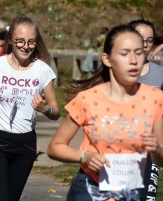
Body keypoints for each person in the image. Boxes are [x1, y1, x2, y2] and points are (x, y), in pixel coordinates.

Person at [47, 25, 163, 201]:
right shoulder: (87, 99)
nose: (133, 60)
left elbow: (160, 159)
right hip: (89, 190)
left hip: (131, 192)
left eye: (138, 53)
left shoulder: (155, 98)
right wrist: (84, 156)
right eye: (124, 54)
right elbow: (54, 148)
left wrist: (156, 150)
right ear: (107, 59)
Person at [0, 14, 60, 201]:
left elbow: (56, 112)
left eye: (31, 42)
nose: (25, 46)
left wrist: (46, 109)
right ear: (10, 40)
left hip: (25, 144)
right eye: (20, 40)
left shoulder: (42, 70)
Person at [129, 19, 163, 200]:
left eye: (149, 40)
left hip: (150, 151)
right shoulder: (114, 71)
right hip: (118, 150)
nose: (145, 44)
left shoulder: (160, 74)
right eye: (140, 39)